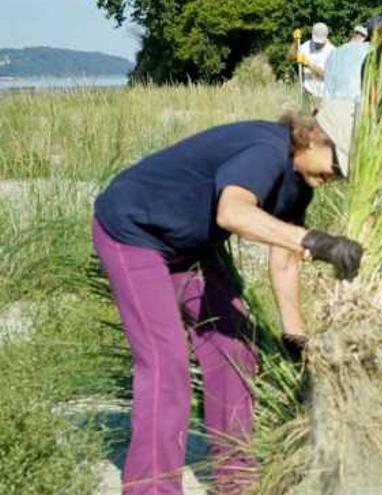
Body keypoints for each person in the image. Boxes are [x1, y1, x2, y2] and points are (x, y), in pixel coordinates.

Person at [92, 103, 364, 494]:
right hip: (133, 233)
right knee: (165, 364)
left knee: (236, 348)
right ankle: (150, 488)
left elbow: (284, 257)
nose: (334, 176)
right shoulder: (266, 151)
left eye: (341, 175)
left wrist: (295, 335)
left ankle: (235, 476)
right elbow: (231, 213)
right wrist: (315, 241)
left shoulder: (300, 183)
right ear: (316, 137)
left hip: (187, 245)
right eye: (336, 165)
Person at [289, 22, 336, 106]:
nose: (318, 44)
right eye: (316, 41)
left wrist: (308, 64)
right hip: (307, 92)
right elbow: (291, 57)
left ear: (326, 37)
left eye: (320, 42)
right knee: (305, 118)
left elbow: (329, 75)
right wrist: (296, 42)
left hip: (323, 96)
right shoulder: (306, 46)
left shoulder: (332, 51)